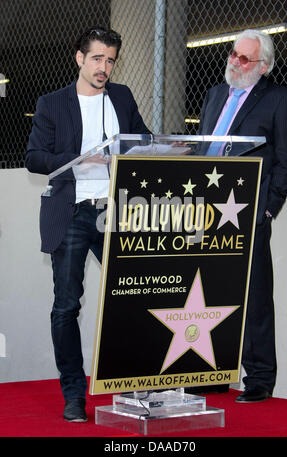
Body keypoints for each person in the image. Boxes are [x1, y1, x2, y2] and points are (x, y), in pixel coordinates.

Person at [26, 26, 150, 421]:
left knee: (133, 297)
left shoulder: (123, 97)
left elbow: (142, 139)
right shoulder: (52, 103)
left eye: (110, 60)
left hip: (118, 210)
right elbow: (34, 158)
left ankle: (132, 383)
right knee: (66, 305)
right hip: (74, 211)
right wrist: (80, 158)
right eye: (97, 58)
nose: (104, 67)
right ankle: (74, 393)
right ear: (79, 58)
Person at [196, 29, 287, 402]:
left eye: (245, 58)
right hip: (205, 212)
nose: (235, 62)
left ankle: (258, 379)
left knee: (253, 295)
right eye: (233, 54)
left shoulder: (279, 101)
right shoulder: (213, 95)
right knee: (207, 291)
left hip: (247, 210)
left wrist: (269, 207)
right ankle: (210, 371)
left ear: (264, 66)